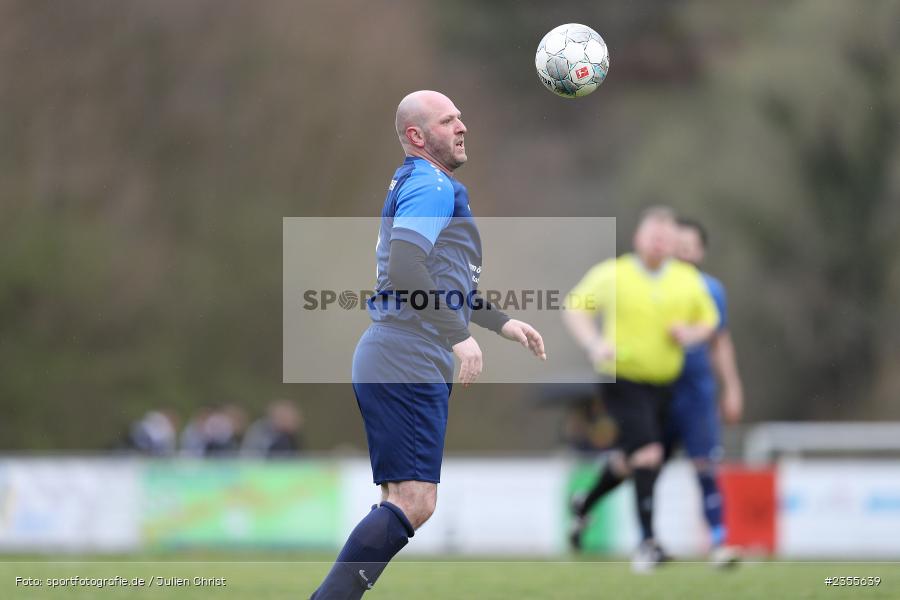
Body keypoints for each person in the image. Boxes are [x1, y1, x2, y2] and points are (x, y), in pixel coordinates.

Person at [310, 90, 546, 599]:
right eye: (448, 120)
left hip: (393, 350)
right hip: (408, 352)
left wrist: (501, 322)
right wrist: (458, 335)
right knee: (414, 501)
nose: (462, 126)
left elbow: (439, 278)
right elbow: (405, 269)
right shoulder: (431, 184)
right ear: (417, 136)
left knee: (401, 499)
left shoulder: (421, 183)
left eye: (461, 117)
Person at [562, 206, 719, 572]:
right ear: (638, 238)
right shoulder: (614, 274)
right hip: (623, 379)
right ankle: (648, 545)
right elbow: (574, 308)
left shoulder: (686, 279)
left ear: (673, 244)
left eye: (666, 238)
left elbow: (709, 322)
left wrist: (690, 333)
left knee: (634, 460)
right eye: (653, 236)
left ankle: (585, 502)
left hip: (666, 385)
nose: (659, 243)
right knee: (648, 454)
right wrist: (594, 344)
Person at [666, 217, 744, 567]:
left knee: (705, 464)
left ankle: (718, 542)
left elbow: (720, 341)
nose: (682, 252)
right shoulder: (652, 286)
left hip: (696, 390)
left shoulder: (712, 290)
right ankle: (646, 540)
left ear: (700, 252)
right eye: (677, 245)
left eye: (689, 246)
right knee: (643, 462)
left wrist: (732, 387)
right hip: (656, 390)